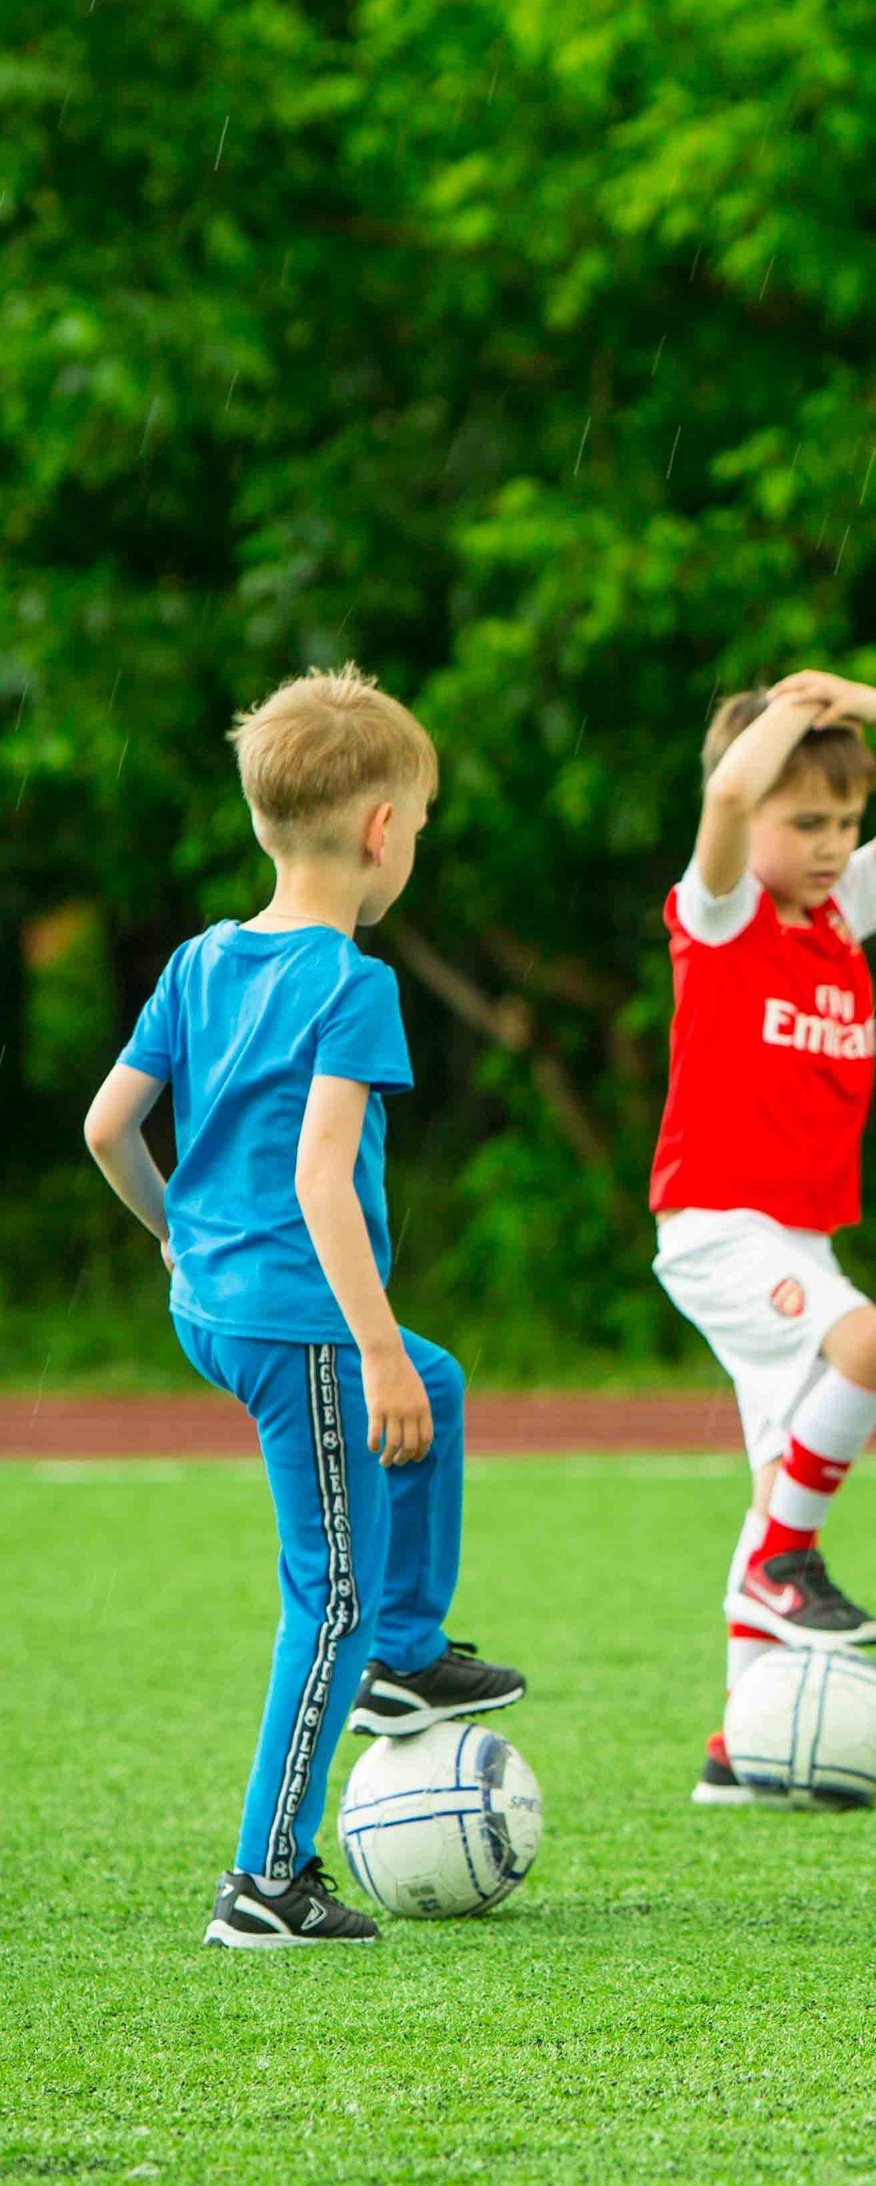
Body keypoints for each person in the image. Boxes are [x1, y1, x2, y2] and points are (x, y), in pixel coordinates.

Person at [83, 666, 525, 1949]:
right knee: (325, 1583)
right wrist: (372, 1344)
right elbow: (319, 1176)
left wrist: (177, 1236)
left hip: (214, 1307)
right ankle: (265, 1881)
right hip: (303, 1322)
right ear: (383, 829)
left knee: (438, 1387)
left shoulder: (202, 958)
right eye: (422, 824)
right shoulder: (351, 982)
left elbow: (108, 1126)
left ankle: (405, 1648)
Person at [648, 671, 876, 1806]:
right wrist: (783, 719)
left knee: (773, 1470)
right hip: (718, 1225)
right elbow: (736, 784)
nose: (836, 842)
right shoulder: (723, 909)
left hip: (796, 1239)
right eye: (810, 822)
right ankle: (782, 1566)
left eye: (844, 821)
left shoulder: (845, 911)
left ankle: (736, 1750)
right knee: (873, 1350)